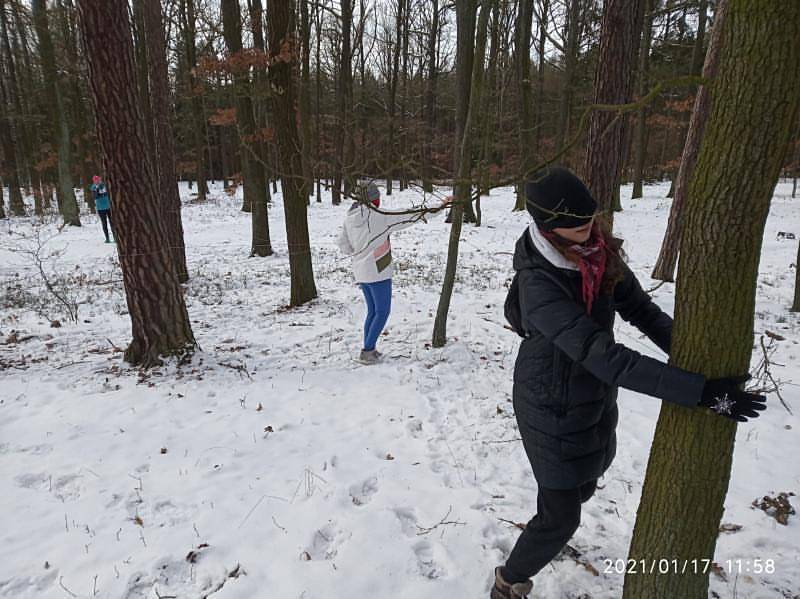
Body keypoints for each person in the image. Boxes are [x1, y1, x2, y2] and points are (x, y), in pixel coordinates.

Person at [490, 166, 767, 599]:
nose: (590, 230)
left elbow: (641, 309)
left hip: (591, 395)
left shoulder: (596, 254)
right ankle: (509, 580)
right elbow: (606, 357)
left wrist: (700, 365)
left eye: (591, 220)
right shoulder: (538, 285)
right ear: (549, 229)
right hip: (550, 405)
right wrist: (700, 394)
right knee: (563, 515)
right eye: (578, 226)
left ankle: (547, 533)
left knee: (586, 481)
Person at [336, 183, 450, 364]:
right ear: (374, 199)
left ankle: (369, 349)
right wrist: (440, 207)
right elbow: (410, 215)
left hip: (361, 272)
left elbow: (342, 244)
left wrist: (359, 253)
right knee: (382, 312)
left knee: (373, 311)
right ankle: (367, 351)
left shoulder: (350, 217)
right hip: (378, 272)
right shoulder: (380, 217)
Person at [91, 175, 113, 243]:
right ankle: (107, 238)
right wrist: (97, 189)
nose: (97, 181)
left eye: (98, 180)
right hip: (100, 208)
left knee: (112, 223)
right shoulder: (93, 187)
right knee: (104, 223)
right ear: (94, 181)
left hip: (108, 206)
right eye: (96, 180)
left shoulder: (104, 185)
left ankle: (116, 237)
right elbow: (95, 197)